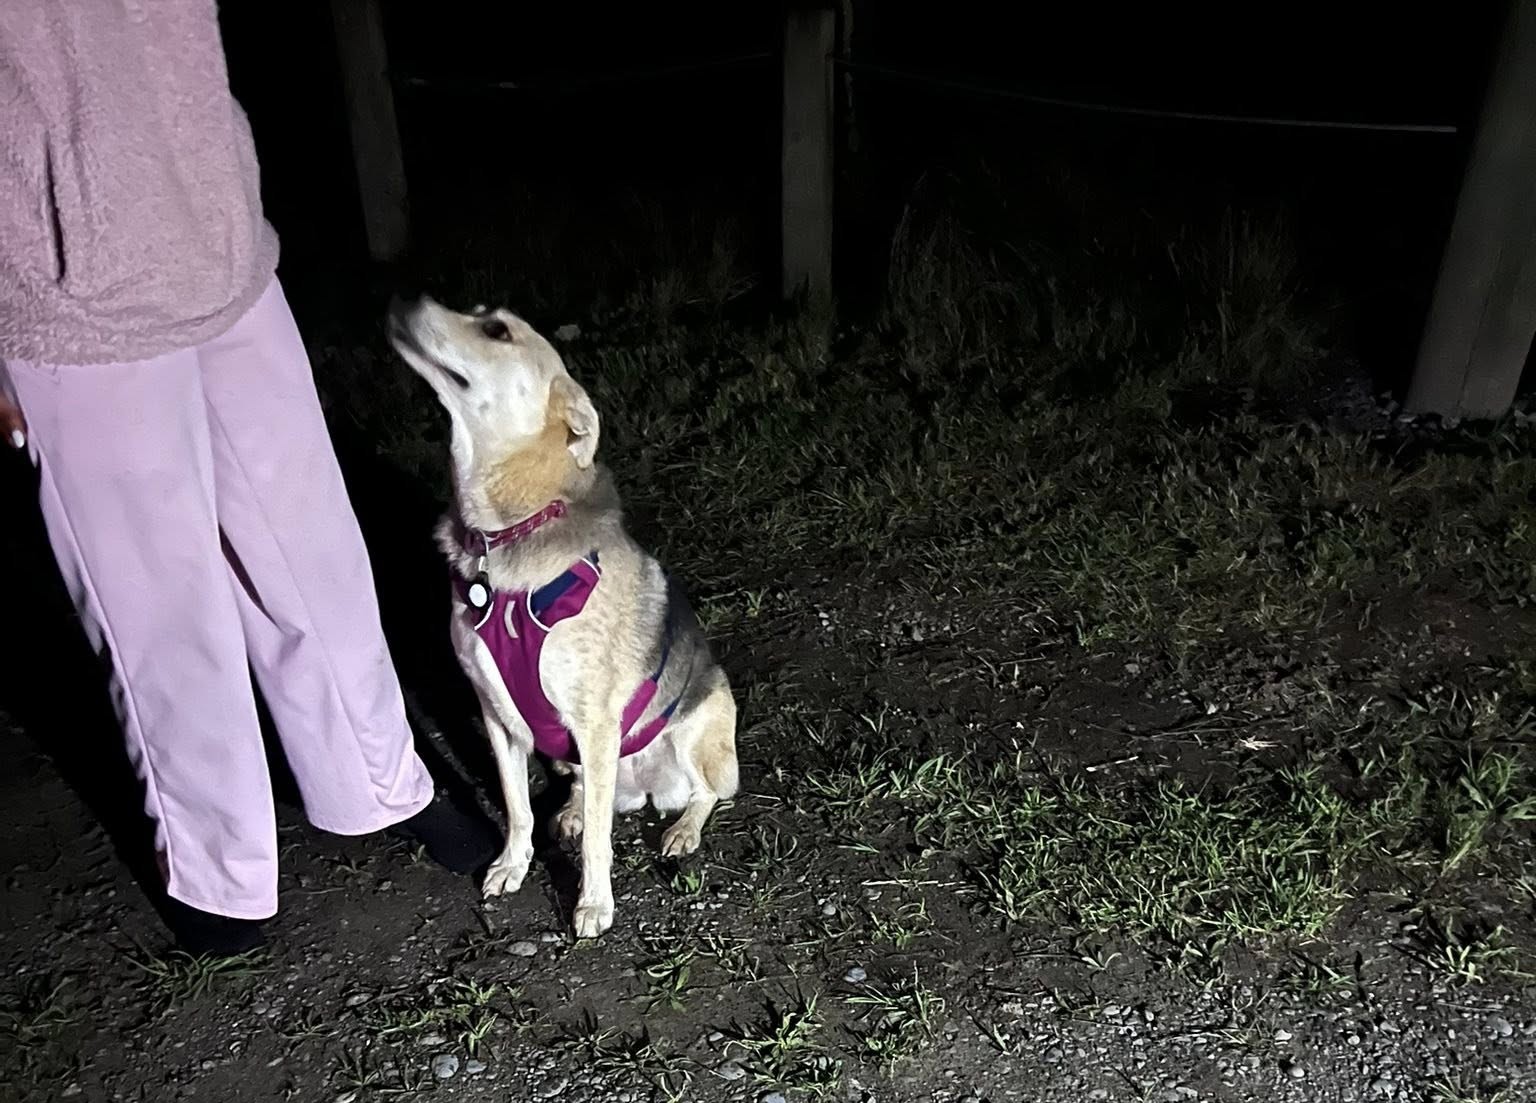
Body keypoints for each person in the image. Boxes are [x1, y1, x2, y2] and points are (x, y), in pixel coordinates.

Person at [0, 1, 497, 955]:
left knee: (311, 547)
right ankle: (218, 869)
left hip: (217, 230)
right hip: (59, 280)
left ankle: (380, 778)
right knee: (160, 607)